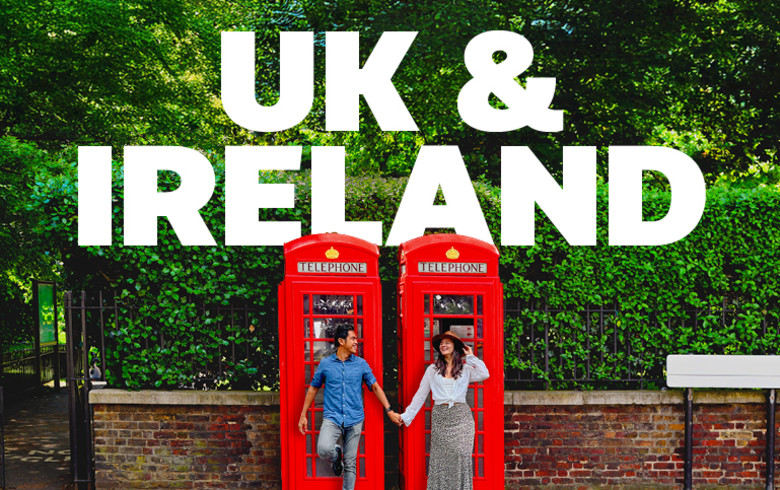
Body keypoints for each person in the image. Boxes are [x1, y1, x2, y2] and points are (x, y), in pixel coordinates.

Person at [298, 324, 399, 490]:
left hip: (355, 418)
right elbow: (313, 389)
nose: (356, 342)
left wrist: (389, 410)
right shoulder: (326, 364)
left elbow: (375, 386)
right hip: (333, 416)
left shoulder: (361, 364)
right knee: (323, 450)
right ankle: (336, 454)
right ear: (341, 341)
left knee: (351, 463)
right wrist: (303, 414)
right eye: (352, 338)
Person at [396, 330, 489, 490]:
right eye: (441, 343)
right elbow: (420, 394)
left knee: (460, 457)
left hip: (462, 418)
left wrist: (471, 356)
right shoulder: (432, 370)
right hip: (441, 418)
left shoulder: (465, 369)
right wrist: (406, 416)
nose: (443, 345)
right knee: (442, 461)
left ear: (455, 347)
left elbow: (484, 374)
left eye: (447, 342)